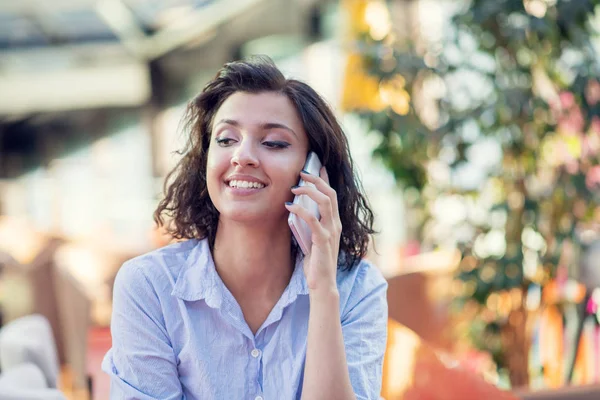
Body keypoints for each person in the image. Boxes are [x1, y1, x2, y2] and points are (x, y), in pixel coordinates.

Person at [102, 55, 388, 400]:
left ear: (315, 173)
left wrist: (323, 290)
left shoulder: (356, 289)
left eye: (273, 143)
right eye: (226, 140)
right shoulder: (150, 287)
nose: (243, 156)